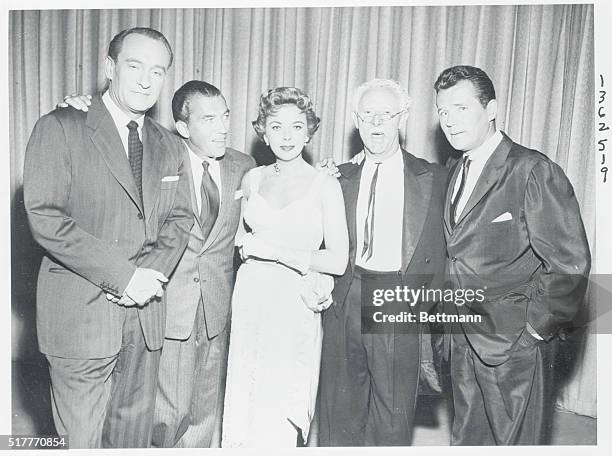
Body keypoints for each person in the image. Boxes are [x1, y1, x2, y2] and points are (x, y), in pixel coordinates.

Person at [59, 80, 257, 448]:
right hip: (168, 305)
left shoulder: (244, 166)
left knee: (204, 412)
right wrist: (78, 108)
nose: (223, 127)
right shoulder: (158, 157)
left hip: (216, 307)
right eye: (209, 119)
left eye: (225, 116)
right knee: (166, 414)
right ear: (183, 127)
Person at [23, 27, 193, 448]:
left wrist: (145, 277)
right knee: (80, 443)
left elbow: (180, 218)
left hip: (145, 317)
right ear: (109, 68)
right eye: (135, 67)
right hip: (81, 318)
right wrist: (124, 277)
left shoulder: (169, 145)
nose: (145, 80)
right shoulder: (61, 126)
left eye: (157, 71)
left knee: (131, 443)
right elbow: (45, 216)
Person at [434, 65, 591, 445]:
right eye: (442, 112)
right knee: (467, 440)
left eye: (461, 108)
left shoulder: (532, 169)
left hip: (513, 344)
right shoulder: (457, 168)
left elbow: (570, 263)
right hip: (461, 340)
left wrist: (533, 330)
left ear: (491, 109)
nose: (450, 122)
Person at [317, 79, 448, 446]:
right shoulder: (336, 178)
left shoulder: (433, 178)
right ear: (356, 120)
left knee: (393, 410)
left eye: (386, 114)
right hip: (345, 293)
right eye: (367, 114)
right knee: (339, 405)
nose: (376, 122)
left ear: (401, 118)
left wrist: (423, 303)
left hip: (397, 295)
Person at [221, 87, 349, 447]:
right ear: (263, 131)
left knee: (281, 406)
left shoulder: (325, 185)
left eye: (297, 126)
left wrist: (273, 250)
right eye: (277, 126)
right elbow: (237, 243)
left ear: (309, 132)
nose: (287, 136)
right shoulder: (253, 179)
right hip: (250, 298)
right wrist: (247, 249)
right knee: (244, 404)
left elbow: (337, 260)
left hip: (293, 304)